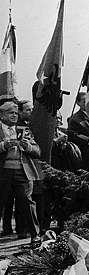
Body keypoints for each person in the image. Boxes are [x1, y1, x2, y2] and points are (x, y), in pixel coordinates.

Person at [0, 101, 41, 245]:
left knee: (27, 201)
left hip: (22, 171)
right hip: (3, 171)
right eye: (11, 113)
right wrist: (4, 145)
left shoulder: (24, 129)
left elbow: (37, 151)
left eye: (16, 113)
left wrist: (28, 146)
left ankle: (35, 235)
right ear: (1, 115)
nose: (14, 116)